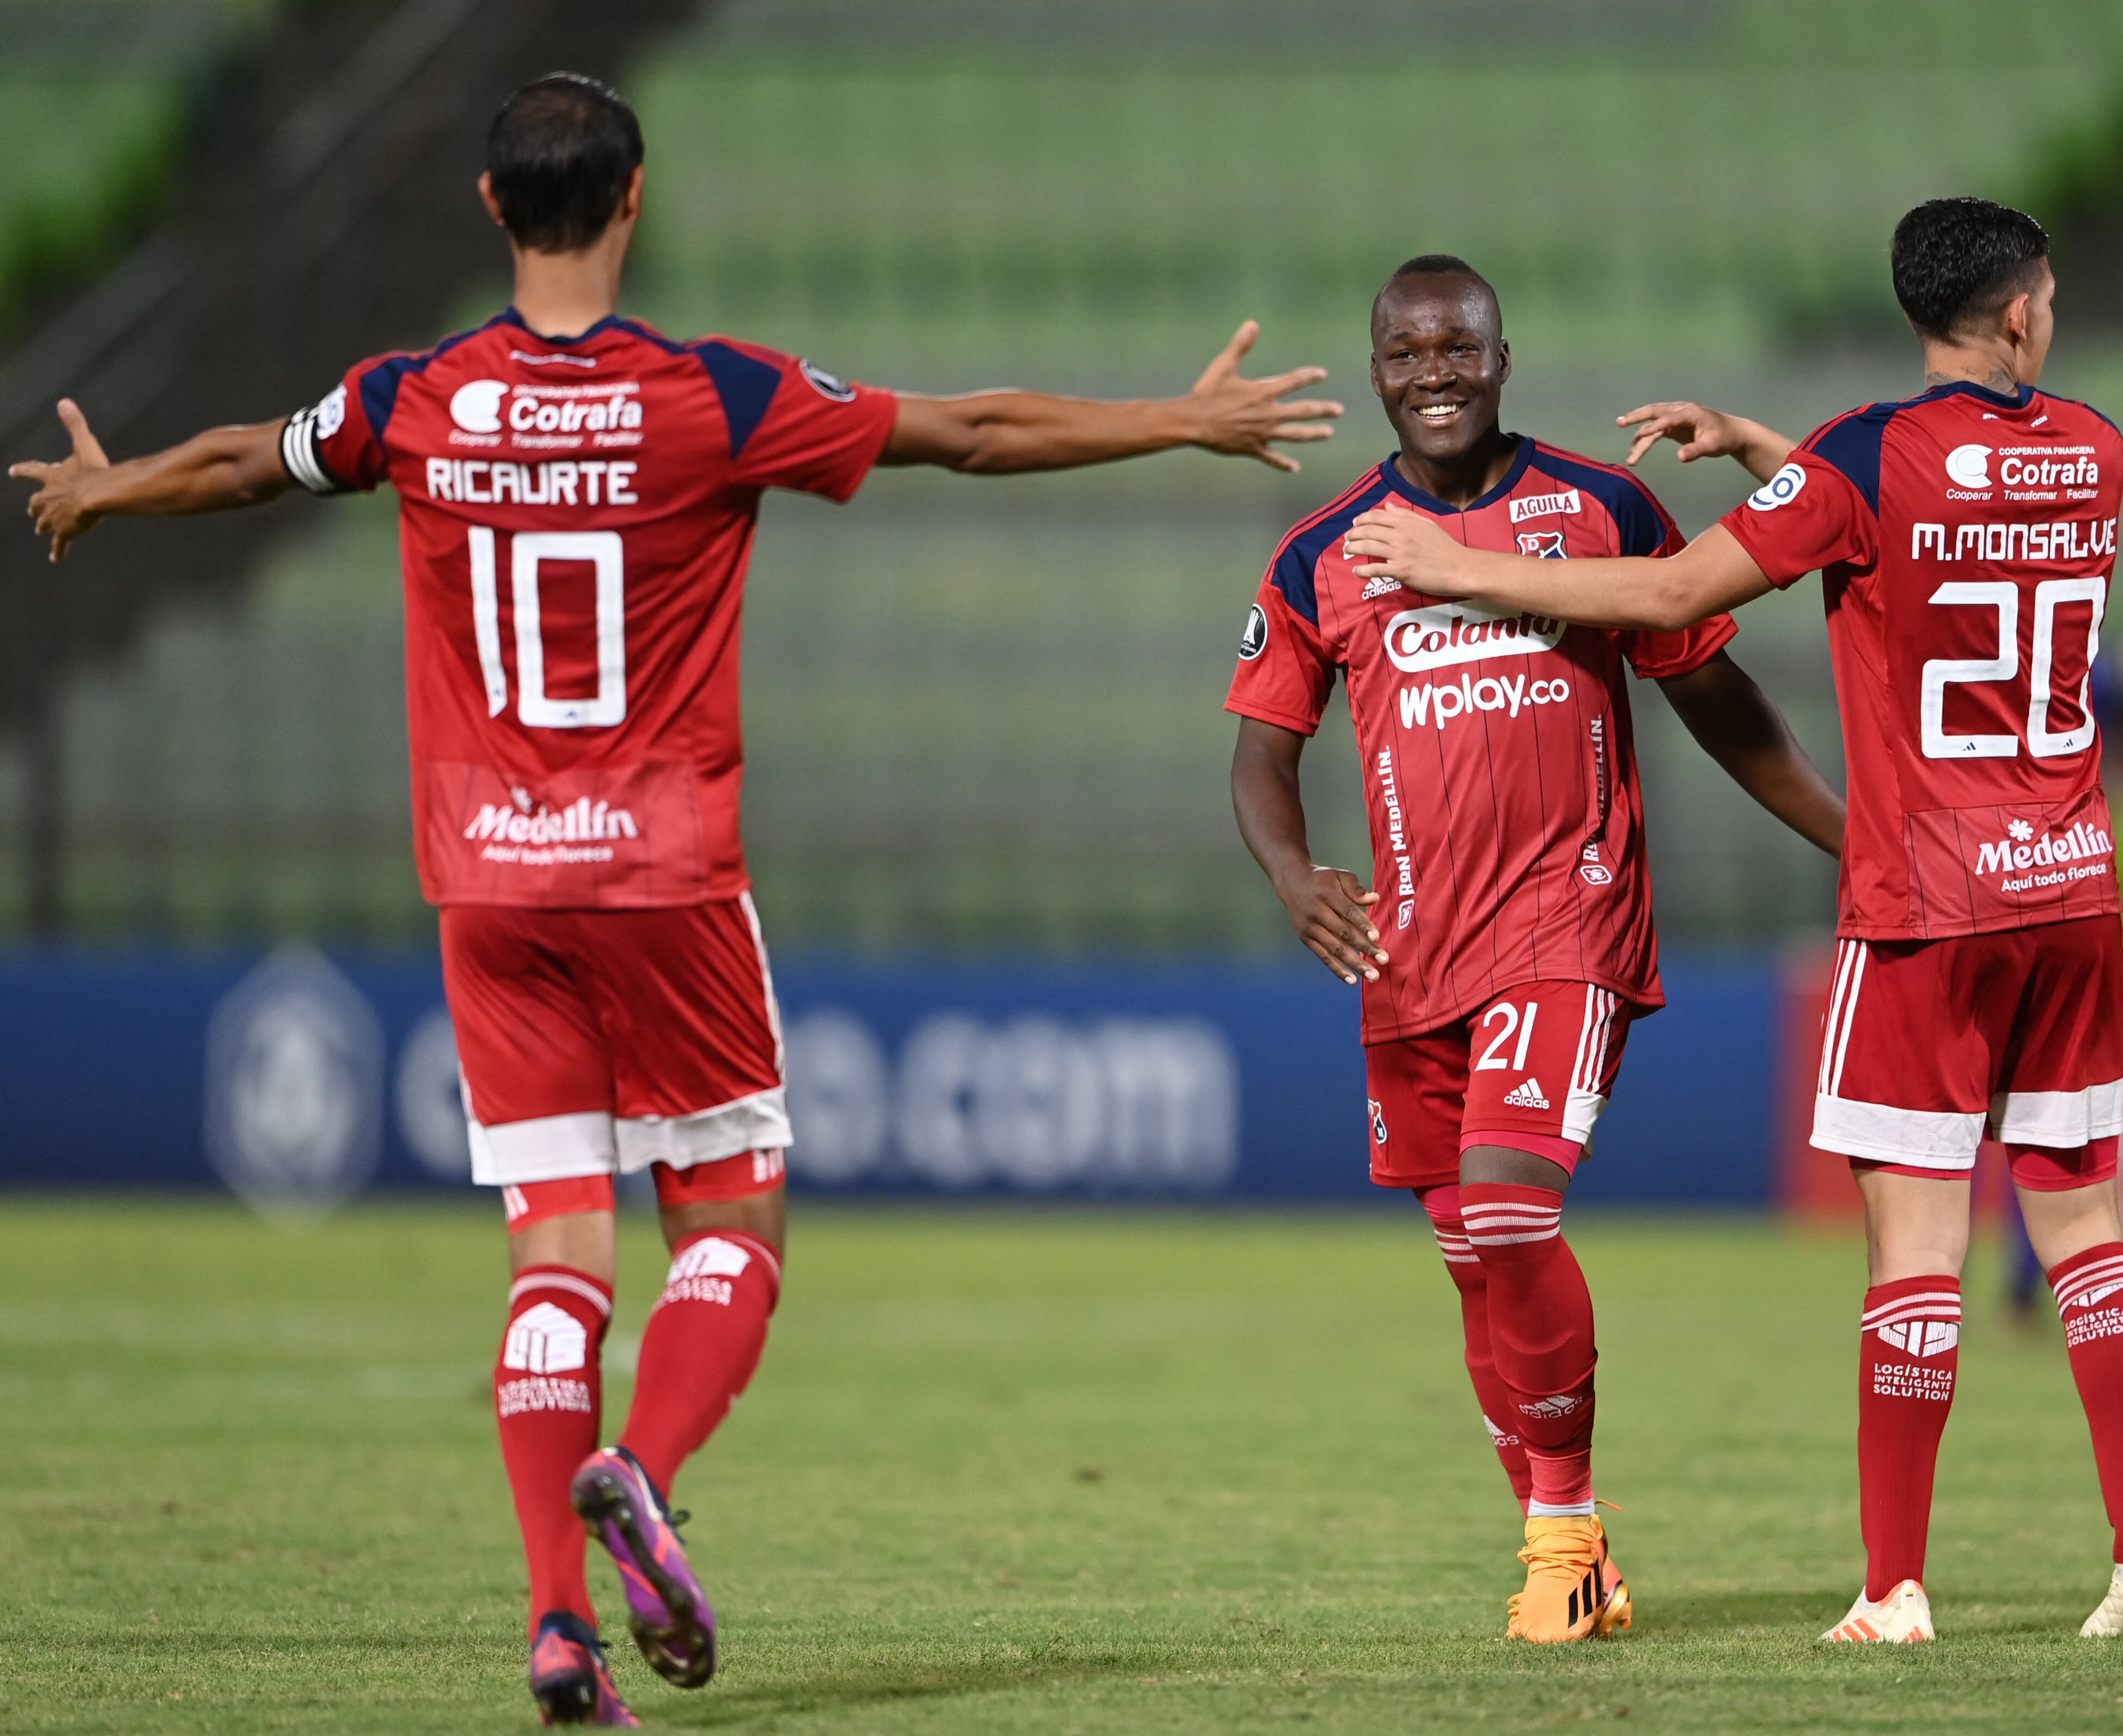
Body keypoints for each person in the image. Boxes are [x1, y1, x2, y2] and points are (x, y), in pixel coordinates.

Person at [13, 74, 1341, 1726]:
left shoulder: (412, 398)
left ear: (491, 210)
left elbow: (242, 463)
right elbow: (971, 433)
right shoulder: (709, 399)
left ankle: (558, 1630)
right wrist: (1178, 416)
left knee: (553, 1260)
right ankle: (640, 1464)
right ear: (633, 198)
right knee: (729, 1224)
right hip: (662, 879)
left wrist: (106, 486)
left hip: (488, 882)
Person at [1339, 202, 2123, 1645]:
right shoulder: (2092, 451)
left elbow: (1679, 589)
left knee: (1913, 1251)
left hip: (1925, 899)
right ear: (2025, 314)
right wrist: (1756, 444)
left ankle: (1892, 1589)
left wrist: (1457, 563)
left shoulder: (1861, 456)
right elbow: (1952, 500)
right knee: (2084, 1231)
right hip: (2070, 890)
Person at [1226, 255, 1844, 1643]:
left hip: (1568, 924)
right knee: (1471, 1259)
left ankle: (1561, 1535)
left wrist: (1860, 849)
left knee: (1511, 1210)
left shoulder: (1603, 507)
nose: (1433, 372)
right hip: (1410, 953)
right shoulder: (1324, 549)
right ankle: (1568, 1548)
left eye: (1459, 348)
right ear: (1376, 370)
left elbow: (1721, 699)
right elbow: (1262, 753)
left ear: (1504, 358)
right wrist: (1291, 871)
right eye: (1405, 352)